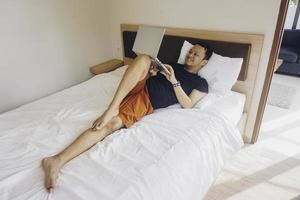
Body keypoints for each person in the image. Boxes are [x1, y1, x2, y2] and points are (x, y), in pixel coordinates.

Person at [42, 43, 213, 191]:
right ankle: (113, 106)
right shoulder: (173, 64)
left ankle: (56, 160)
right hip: (137, 84)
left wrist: (173, 80)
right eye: (190, 51)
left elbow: (189, 104)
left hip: (146, 99)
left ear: (204, 62)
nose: (190, 55)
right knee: (144, 59)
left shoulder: (200, 83)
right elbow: (150, 72)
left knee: (110, 125)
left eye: (195, 54)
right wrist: (153, 72)